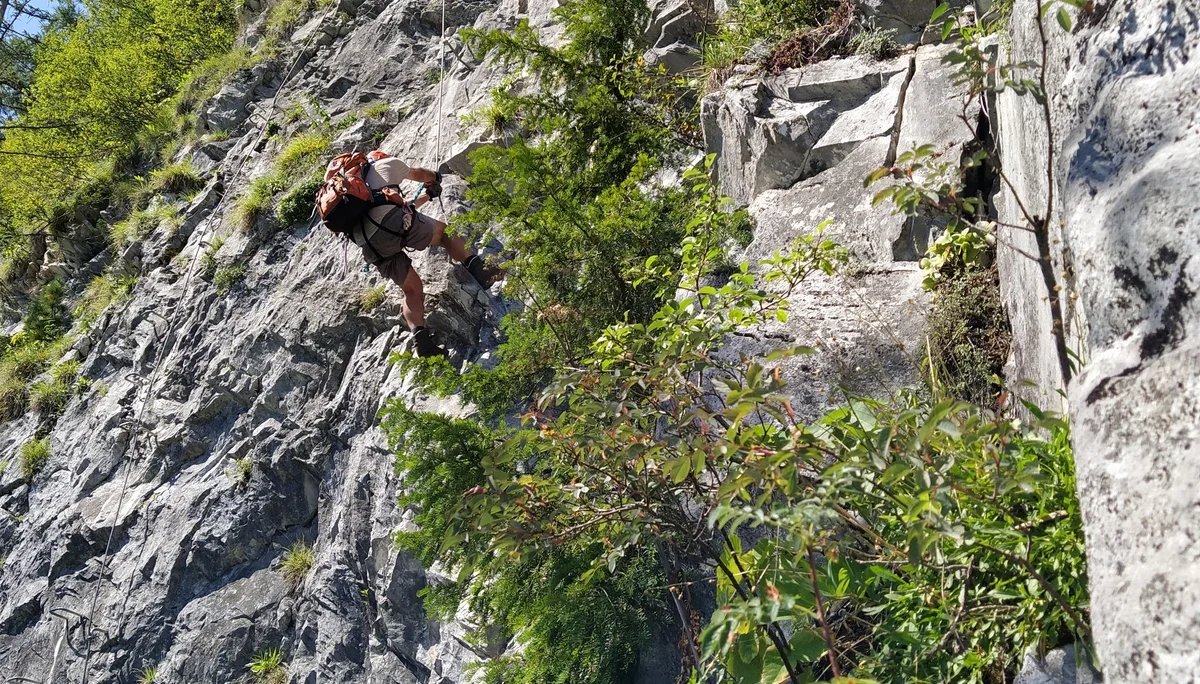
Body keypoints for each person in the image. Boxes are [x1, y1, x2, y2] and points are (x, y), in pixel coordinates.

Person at [350, 153, 496, 357]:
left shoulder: (358, 193)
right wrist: (435, 177)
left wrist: (428, 196)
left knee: (411, 289)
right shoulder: (386, 164)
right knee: (444, 234)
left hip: (369, 244)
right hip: (392, 223)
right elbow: (419, 174)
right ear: (379, 157)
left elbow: (397, 208)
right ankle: (481, 272)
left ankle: (422, 342)